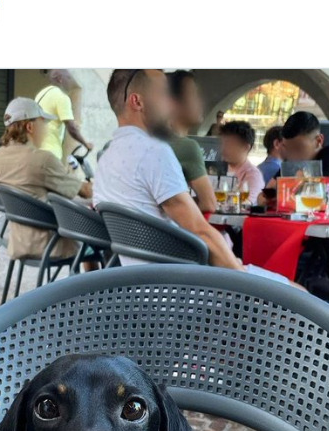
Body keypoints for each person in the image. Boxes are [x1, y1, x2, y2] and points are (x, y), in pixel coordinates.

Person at [94, 69, 291, 284]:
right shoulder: (154, 151)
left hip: (141, 281)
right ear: (137, 101)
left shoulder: (106, 158)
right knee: (298, 294)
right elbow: (199, 229)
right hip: (184, 284)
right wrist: (245, 282)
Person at [0, 97, 91, 263]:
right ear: (30, 127)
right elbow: (85, 191)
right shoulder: (43, 159)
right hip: (51, 244)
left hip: (19, 243)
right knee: (98, 240)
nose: (46, 128)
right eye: (43, 122)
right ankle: (96, 281)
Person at [281, 111, 329, 213]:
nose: (292, 155)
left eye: (297, 149)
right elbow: (272, 187)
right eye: (288, 149)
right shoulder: (291, 162)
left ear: (318, 141)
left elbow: (316, 190)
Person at [166, 70, 219, 214]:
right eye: (193, 95)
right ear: (172, 103)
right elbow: (209, 203)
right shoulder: (186, 147)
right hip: (167, 227)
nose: (200, 102)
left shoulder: (144, 140)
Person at [35, 70, 93, 161]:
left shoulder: (41, 94)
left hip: (36, 151)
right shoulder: (62, 97)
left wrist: (71, 123)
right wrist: (86, 144)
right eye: (68, 78)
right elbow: (71, 128)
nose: (70, 82)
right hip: (50, 153)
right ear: (60, 79)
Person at [219, 121, 265, 204]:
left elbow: (246, 204)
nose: (223, 149)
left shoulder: (253, 176)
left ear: (246, 147)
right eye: (223, 144)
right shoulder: (216, 169)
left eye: (230, 145)